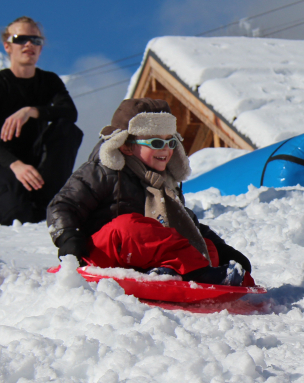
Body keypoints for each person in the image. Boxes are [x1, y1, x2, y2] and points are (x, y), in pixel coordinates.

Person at [47, 97, 252, 286]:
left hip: (140, 260)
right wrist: (69, 240)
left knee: (205, 246)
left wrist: (224, 250)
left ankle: (168, 272)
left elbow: (185, 221)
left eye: (170, 142)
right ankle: (196, 272)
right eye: (155, 142)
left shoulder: (164, 184)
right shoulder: (103, 172)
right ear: (126, 146)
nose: (165, 149)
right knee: (128, 227)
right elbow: (63, 206)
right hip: (99, 254)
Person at [0, 16, 83, 224]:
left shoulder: (49, 81)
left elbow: (70, 112)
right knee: (17, 217)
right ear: (7, 46)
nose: (29, 44)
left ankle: (54, 202)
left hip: (39, 165)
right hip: (6, 166)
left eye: (36, 40)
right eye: (21, 38)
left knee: (67, 128)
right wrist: (16, 165)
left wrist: (31, 111)